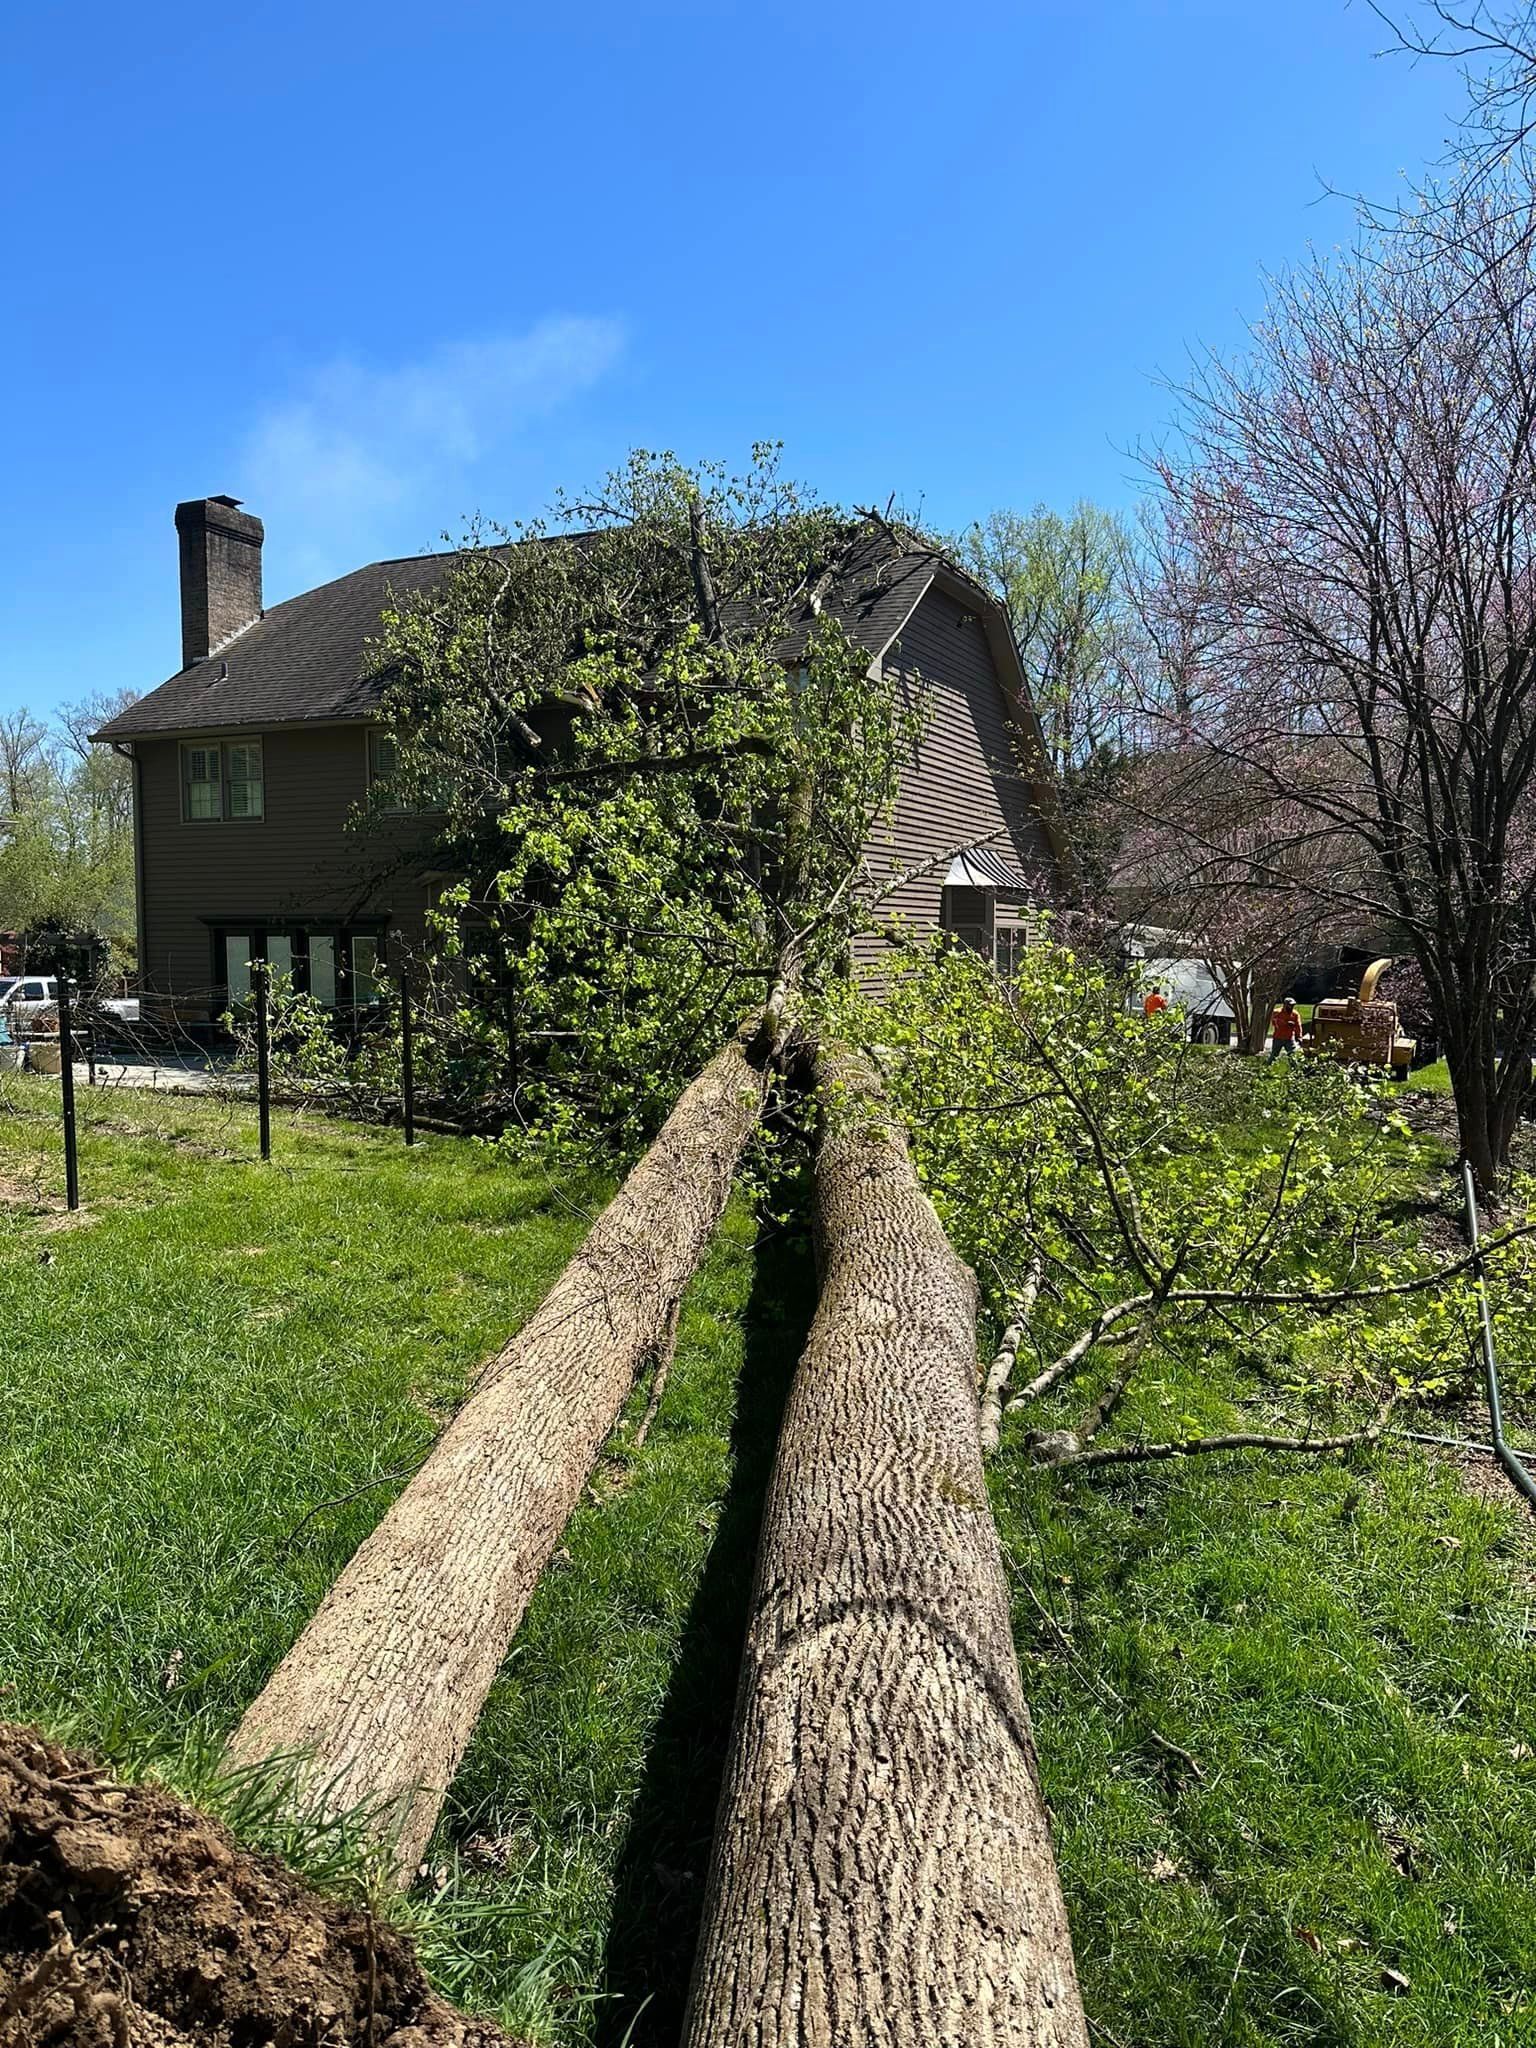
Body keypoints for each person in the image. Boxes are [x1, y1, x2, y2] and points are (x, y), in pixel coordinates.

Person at [1269, 996, 1304, 1060]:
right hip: (1278, 1037)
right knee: (1274, 1055)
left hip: (1289, 1038)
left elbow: (1298, 1026)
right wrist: (1286, 1023)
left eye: (1293, 1005)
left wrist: (1299, 1037)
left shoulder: (1295, 1014)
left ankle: (1295, 1069)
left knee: (1292, 1055)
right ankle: (1268, 1068)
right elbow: (1275, 1023)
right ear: (1285, 1005)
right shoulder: (1277, 1012)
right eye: (1290, 1005)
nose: (1292, 1007)